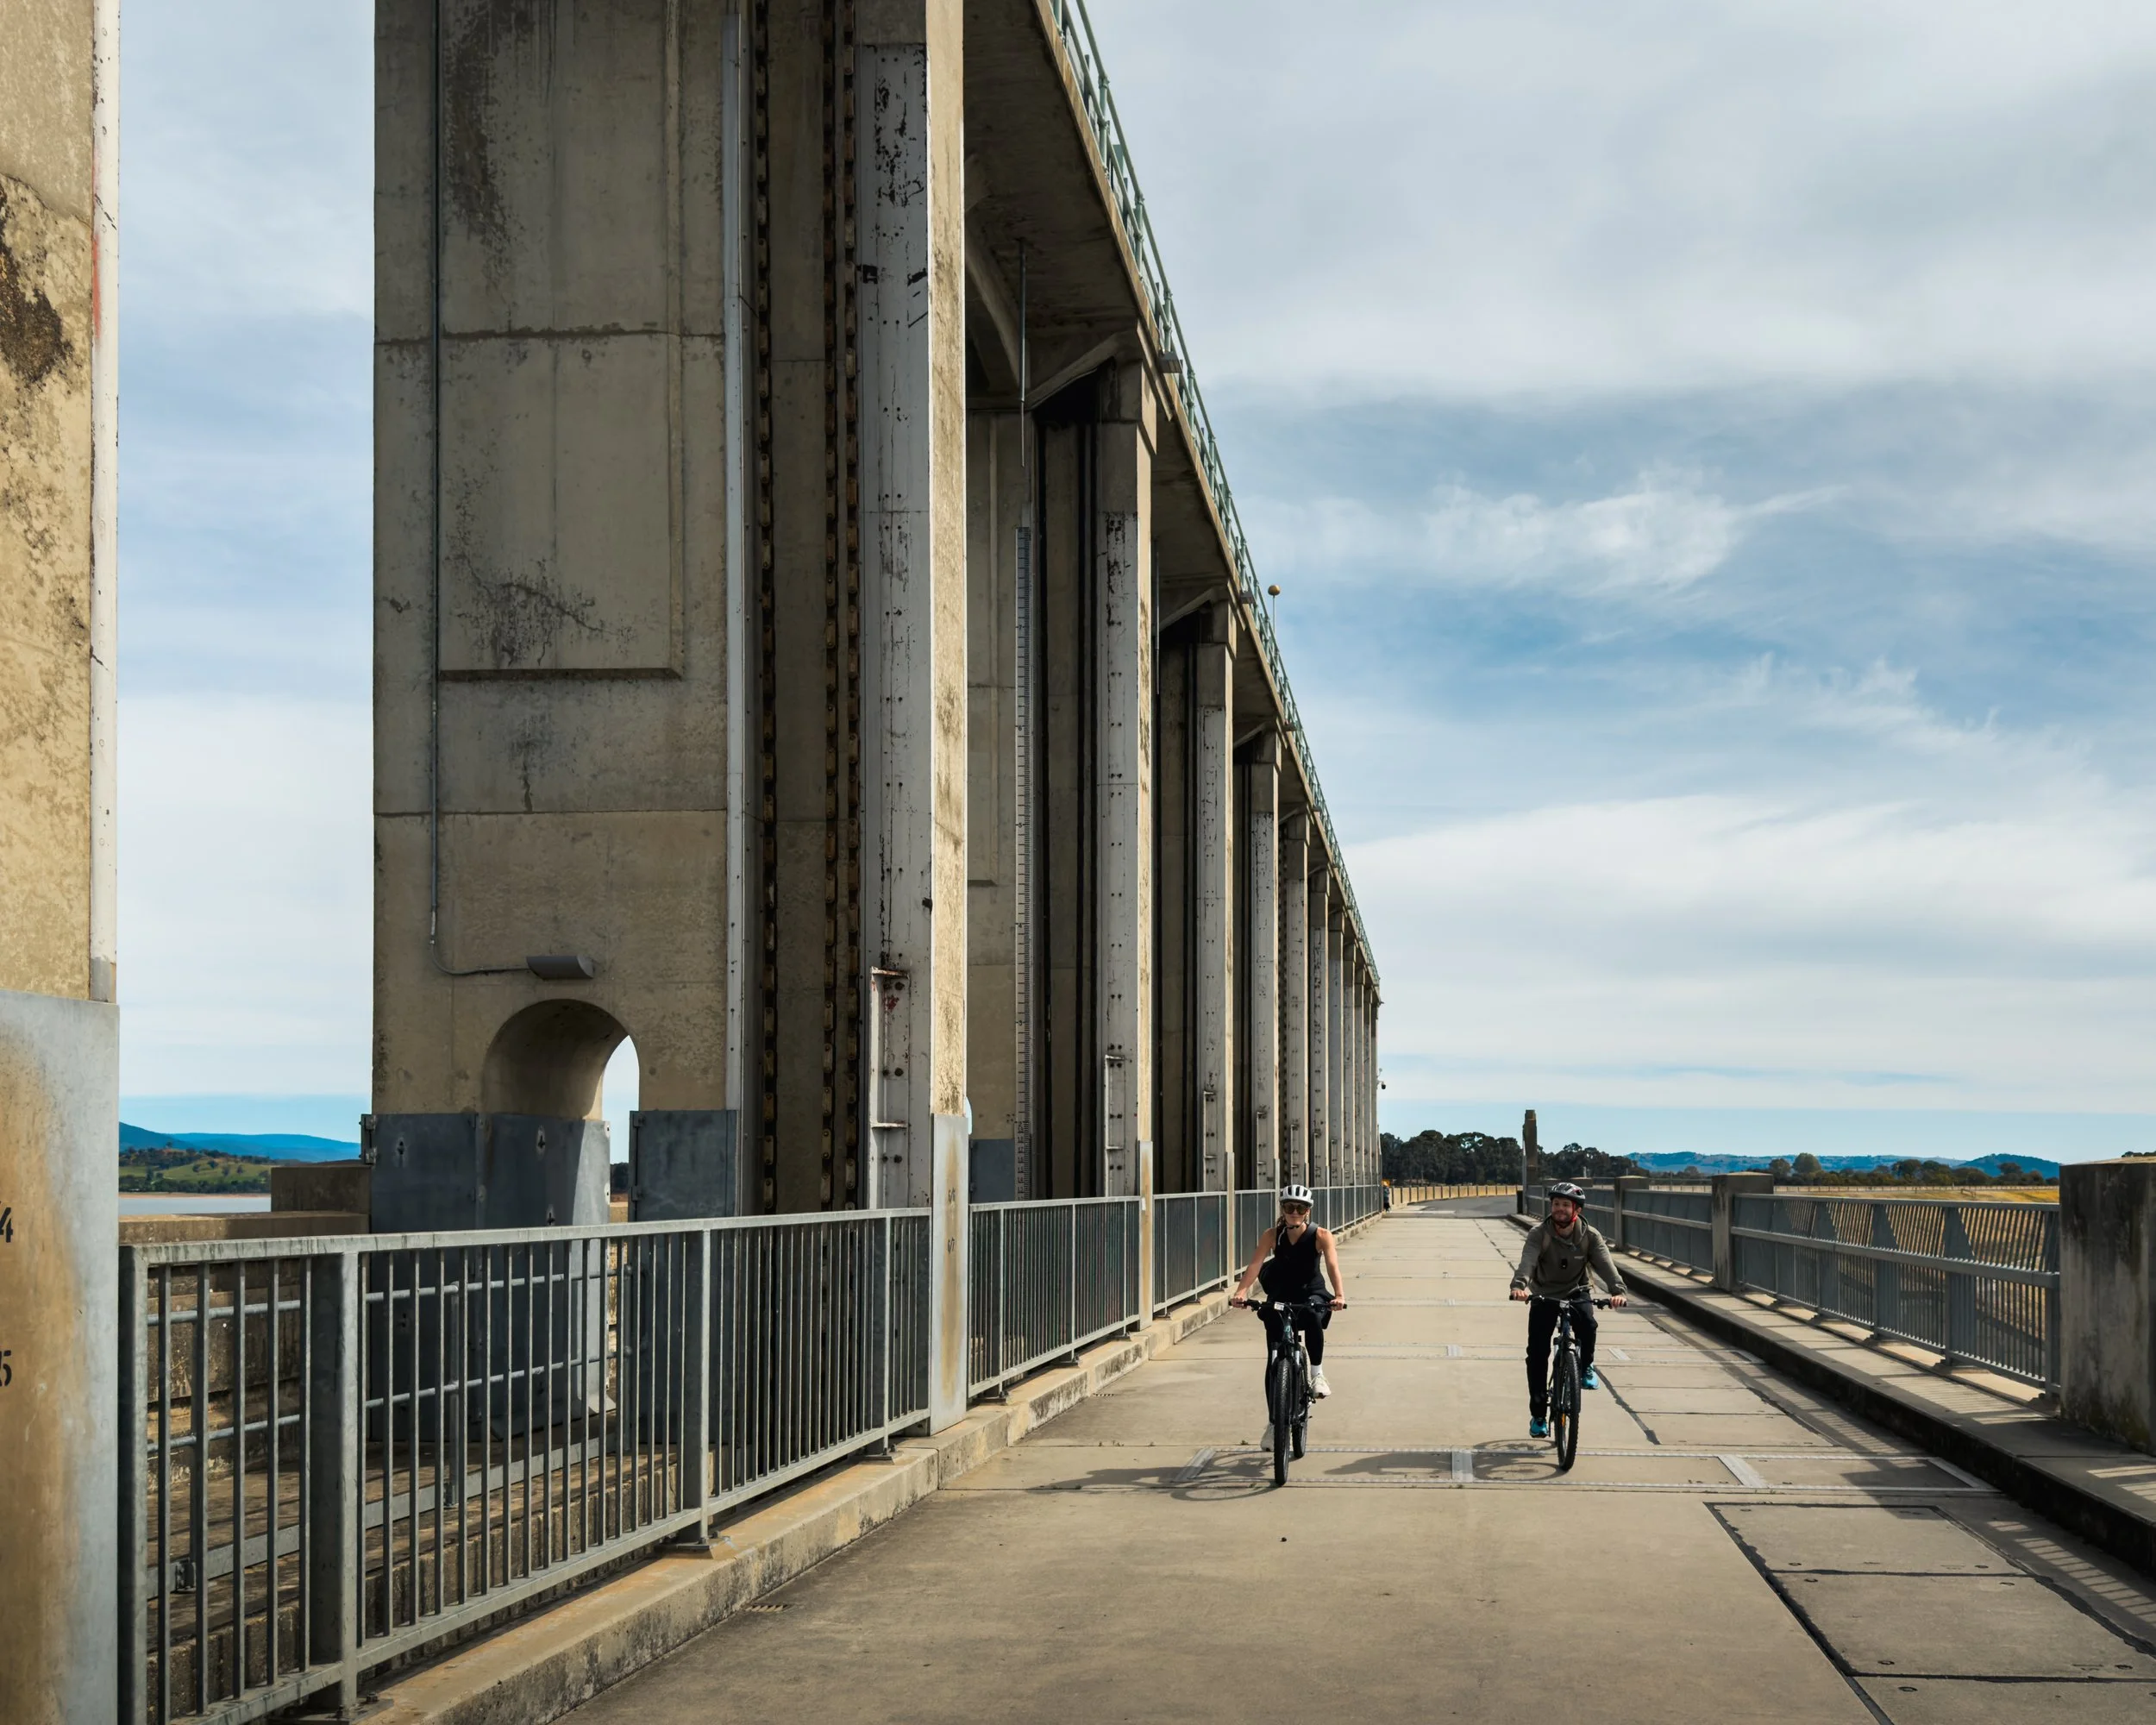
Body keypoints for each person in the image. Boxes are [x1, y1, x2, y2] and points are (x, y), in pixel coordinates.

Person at [1509, 1181, 1626, 1438]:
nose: (1559, 1209)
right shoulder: (1539, 1233)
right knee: (1537, 1356)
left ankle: (1585, 1366)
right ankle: (1539, 1415)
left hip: (1576, 1291)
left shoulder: (1590, 1236)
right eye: (1555, 1204)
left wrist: (1618, 1291)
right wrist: (1519, 1287)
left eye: (1565, 1205)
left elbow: (1606, 1266)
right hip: (1543, 1295)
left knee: (1588, 1322)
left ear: (1577, 1210)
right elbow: (1527, 1262)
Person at [1229, 1184, 1348, 1397]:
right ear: (1282, 1209)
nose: (1294, 1212)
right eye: (1290, 1207)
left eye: (1300, 1208)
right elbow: (1255, 1265)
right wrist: (1241, 1292)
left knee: (1312, 1315)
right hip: (1282, 1293)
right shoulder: (1272, 1235)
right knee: (1273, 1353)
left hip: (1312, 1291)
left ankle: (1317, 1374)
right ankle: (1276, 1415)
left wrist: (1339, 1295)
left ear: (1308, 1211)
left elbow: (1332, 1267)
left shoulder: (1321, 1235)